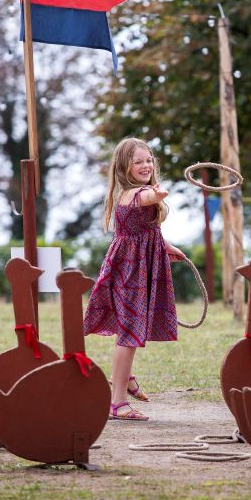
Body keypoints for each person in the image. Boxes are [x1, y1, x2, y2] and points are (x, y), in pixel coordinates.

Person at [83, 137, 186, 421]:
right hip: (130, 271)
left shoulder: (138, 192)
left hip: (139, 267)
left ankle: (125, 378)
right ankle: (117, 403)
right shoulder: (135, 193)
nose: (145, 165)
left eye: (148, 160)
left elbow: (144, 227)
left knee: (131, 328)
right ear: (124, 168)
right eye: (137, 162)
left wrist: (166, 246)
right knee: (129, 333)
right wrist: (158, 194)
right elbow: (148, 199)